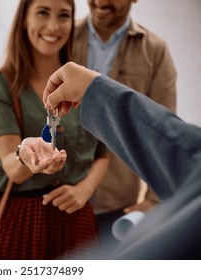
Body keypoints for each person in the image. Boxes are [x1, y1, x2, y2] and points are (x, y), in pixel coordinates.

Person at [18, 62, 201, 259]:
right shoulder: (5, 82)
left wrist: (152, 200)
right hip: (36, 215)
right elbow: (186, 154)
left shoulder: (152, 50)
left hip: (106, 204)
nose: (54, 29)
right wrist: (21, 152)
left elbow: (183, 153)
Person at [0, 0, 110, 259]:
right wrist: (24, 156)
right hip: (23, 220)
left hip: (78, 214)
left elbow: (103, 154)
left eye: (64, 15)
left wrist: (85, 189)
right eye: (42, 12)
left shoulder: (88, 83)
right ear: (24, 20)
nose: (53, 26)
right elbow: (12, 169)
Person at [71, 0, 177, 248]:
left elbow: (162, 129)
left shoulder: (155, 50)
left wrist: (153, 200)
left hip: (117, 200)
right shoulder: (62, 36)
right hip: (62, 192)